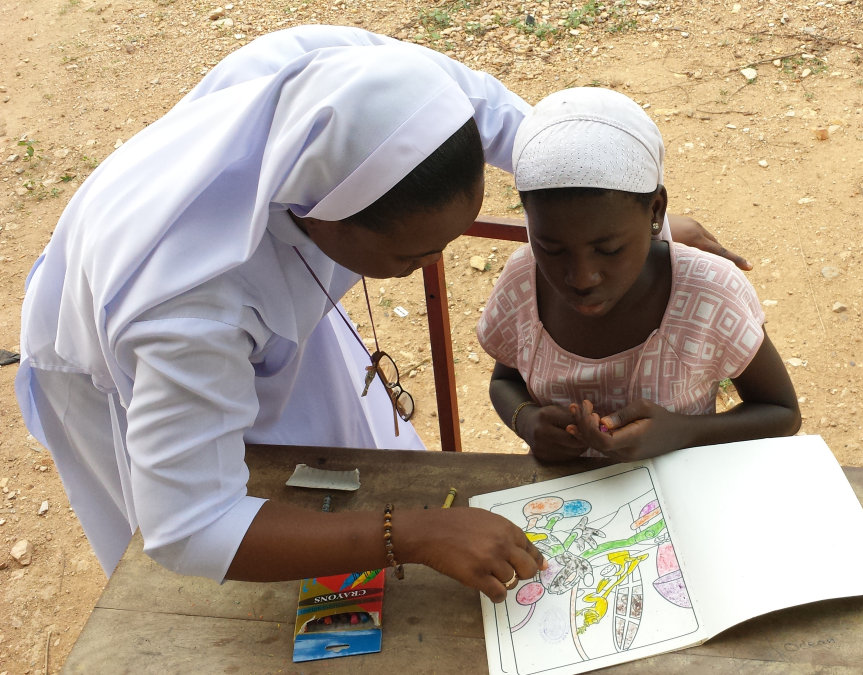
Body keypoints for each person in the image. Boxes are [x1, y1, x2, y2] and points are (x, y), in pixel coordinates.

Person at [14, 26, 745, 601]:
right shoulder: (189, 313)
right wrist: (412, 535)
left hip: (243, 318)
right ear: (324, 222)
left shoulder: (350, 82)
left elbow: (501, 123)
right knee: (241, 562)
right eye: (408, 258)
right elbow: (190, 526)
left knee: (328, 473)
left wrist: (618, 221)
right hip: (112, 360)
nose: (430, 268)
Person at [477, 88, 802, 463]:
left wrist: (682, 432)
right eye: (551, 249)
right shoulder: (524, 281)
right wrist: (526, 419)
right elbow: (505, 381)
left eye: (609, 250)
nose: (582, 279)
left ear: (656, 211)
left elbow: (782, 412)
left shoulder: (707, 293)